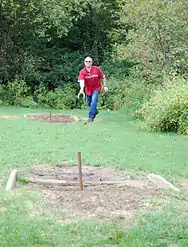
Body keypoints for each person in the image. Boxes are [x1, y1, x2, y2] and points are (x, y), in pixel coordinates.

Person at [78, 56, 108, 122]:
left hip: (96, 88)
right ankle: (95, 111)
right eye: (86, 61)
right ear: (84, 63)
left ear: (91, 62)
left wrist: (105, 86)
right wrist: (81, 89)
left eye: (89, 61)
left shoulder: (96, 69)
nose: (88, 62)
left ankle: (90, 117)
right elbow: (81, 81)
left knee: (94, 101)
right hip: (88, 90)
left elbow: (103, 77)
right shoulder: (82, 71)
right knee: (89, 103)